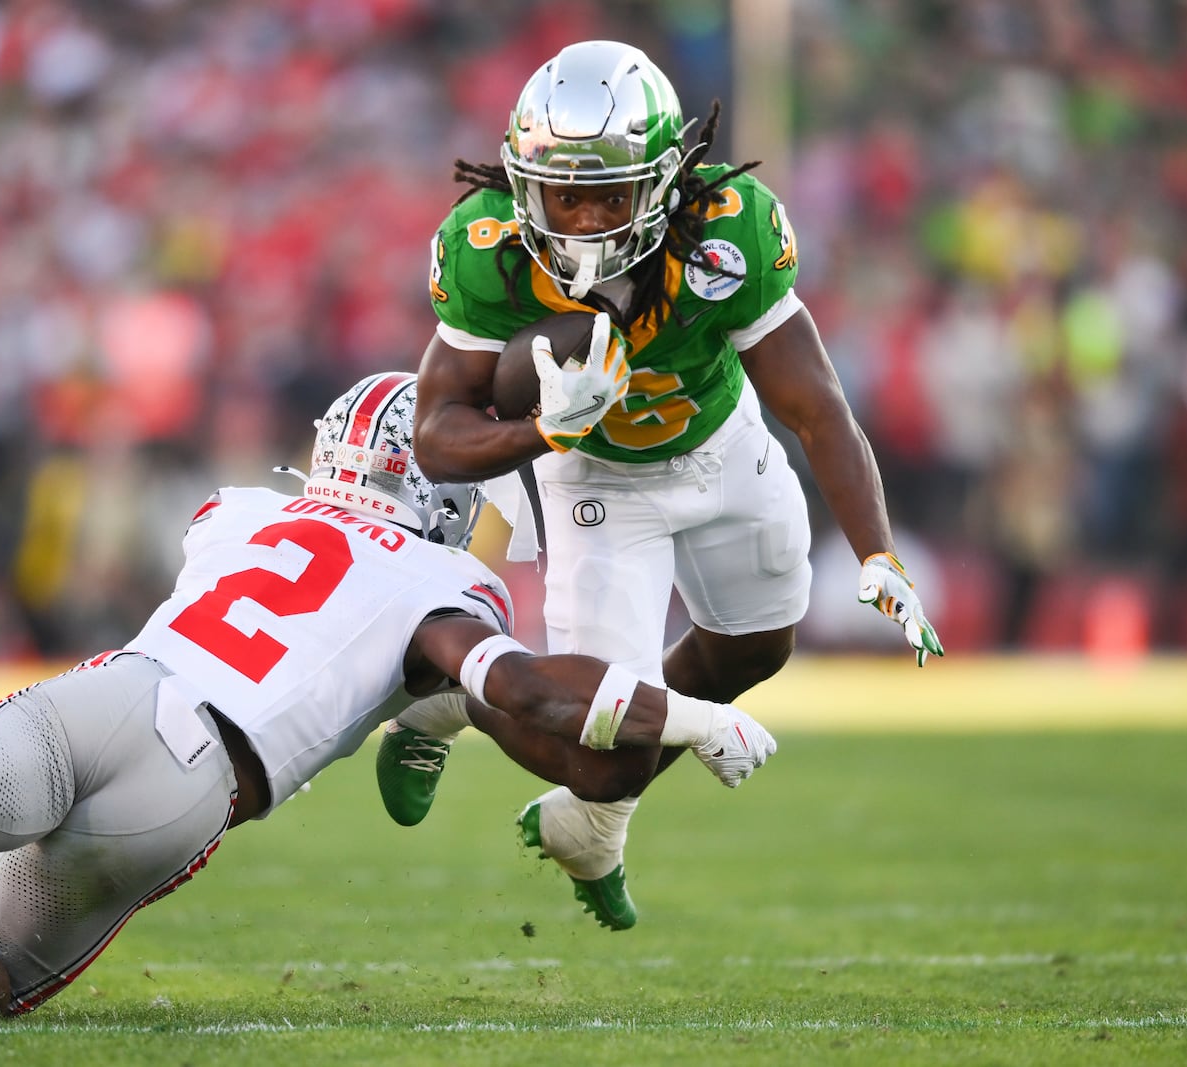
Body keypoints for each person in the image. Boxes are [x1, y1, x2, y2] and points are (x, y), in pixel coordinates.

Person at [0, 371, 776, 1024]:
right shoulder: (443, 585)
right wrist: (692, 714)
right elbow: (520, 690)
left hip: (116, 693)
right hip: (194, 787)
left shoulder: (240, 514)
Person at [377, 39, 943, 932]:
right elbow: (439, 437)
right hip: (595, 477)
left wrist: (876, 550)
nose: (584, 217)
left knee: (758, 646)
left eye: (609, 191)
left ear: (667, 180)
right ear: (525, 181)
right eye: (564, 192)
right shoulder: (489, 247)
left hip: (721, 445)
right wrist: (544, 430)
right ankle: (455, 699)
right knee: (602, 761)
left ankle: (597, 807)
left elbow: (817, 406)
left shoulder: (730, 227)